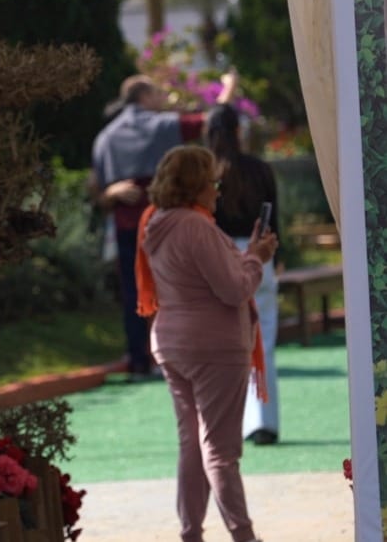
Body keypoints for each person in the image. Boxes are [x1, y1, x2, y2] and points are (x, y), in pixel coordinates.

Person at [136, 145, 277, 542]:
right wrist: (256, 260)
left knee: (192, 446)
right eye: (212, 182)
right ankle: (244, 535)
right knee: (220, 450)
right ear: (196, 185)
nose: (217, 190)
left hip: (173, 342)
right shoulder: (196, 227)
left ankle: (191, 532)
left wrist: (249, 253)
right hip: (214, 347)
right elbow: (234, 289)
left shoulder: (157, 222)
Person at [92, 72, 236, 378]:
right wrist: (228, 90)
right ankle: (168, 356)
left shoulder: (105, 137)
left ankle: (138, 358)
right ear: (144, 97)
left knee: (134, 292)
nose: (164, 98)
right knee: (172, 288)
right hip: (162, 222)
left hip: (125, 224)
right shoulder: (158, 125)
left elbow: (97, 188)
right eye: (158, 93)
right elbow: (213, 120)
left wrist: (112, 191)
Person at [206, 105, 282, 446]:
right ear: (239, 131)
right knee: (262, 339)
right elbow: (274, 217)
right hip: (258, 252)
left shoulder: (208, 172)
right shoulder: (258, 169)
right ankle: (262, 420)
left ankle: (224, 421)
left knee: (220, 342)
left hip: (218, 257)